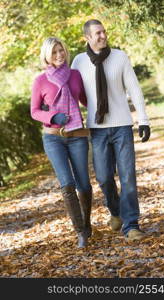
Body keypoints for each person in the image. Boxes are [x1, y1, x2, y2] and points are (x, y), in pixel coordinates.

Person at [71, 19, 151, 242]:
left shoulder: (120, 57)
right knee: (105, 178)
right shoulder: (78, 62)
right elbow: (72, 94)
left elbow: (134, 87)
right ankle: (116, 211)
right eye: (97, 33)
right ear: (87, 37)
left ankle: (131, 224)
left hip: (122, 126)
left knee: (127, 177)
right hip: (97, 129)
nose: (103, 36)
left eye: (104, 31)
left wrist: (143, 119)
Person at [31, 37, 92, 248]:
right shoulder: (40, 80)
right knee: (67, 184)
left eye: (61, 51)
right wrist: (52, 117)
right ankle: (81, 232)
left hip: (77, 135)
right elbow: (34, 111)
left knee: (84, 184)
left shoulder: (75, 76)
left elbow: (86, 100)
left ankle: (87, 222)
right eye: (54, 52)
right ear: (47, 55)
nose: (59, 55)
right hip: (53, 138)